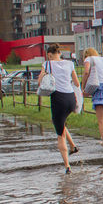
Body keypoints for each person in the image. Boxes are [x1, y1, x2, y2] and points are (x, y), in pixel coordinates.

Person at [37, 44, 81, 174]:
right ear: (59, 53)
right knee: (61, 123)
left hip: (58, 99)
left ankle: (67, 166)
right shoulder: (69, 63)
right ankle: (73, 146)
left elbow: (40, 81)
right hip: (71, 99)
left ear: (49, 54)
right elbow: (77, 83)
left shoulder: (47, 64)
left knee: (60, 134)